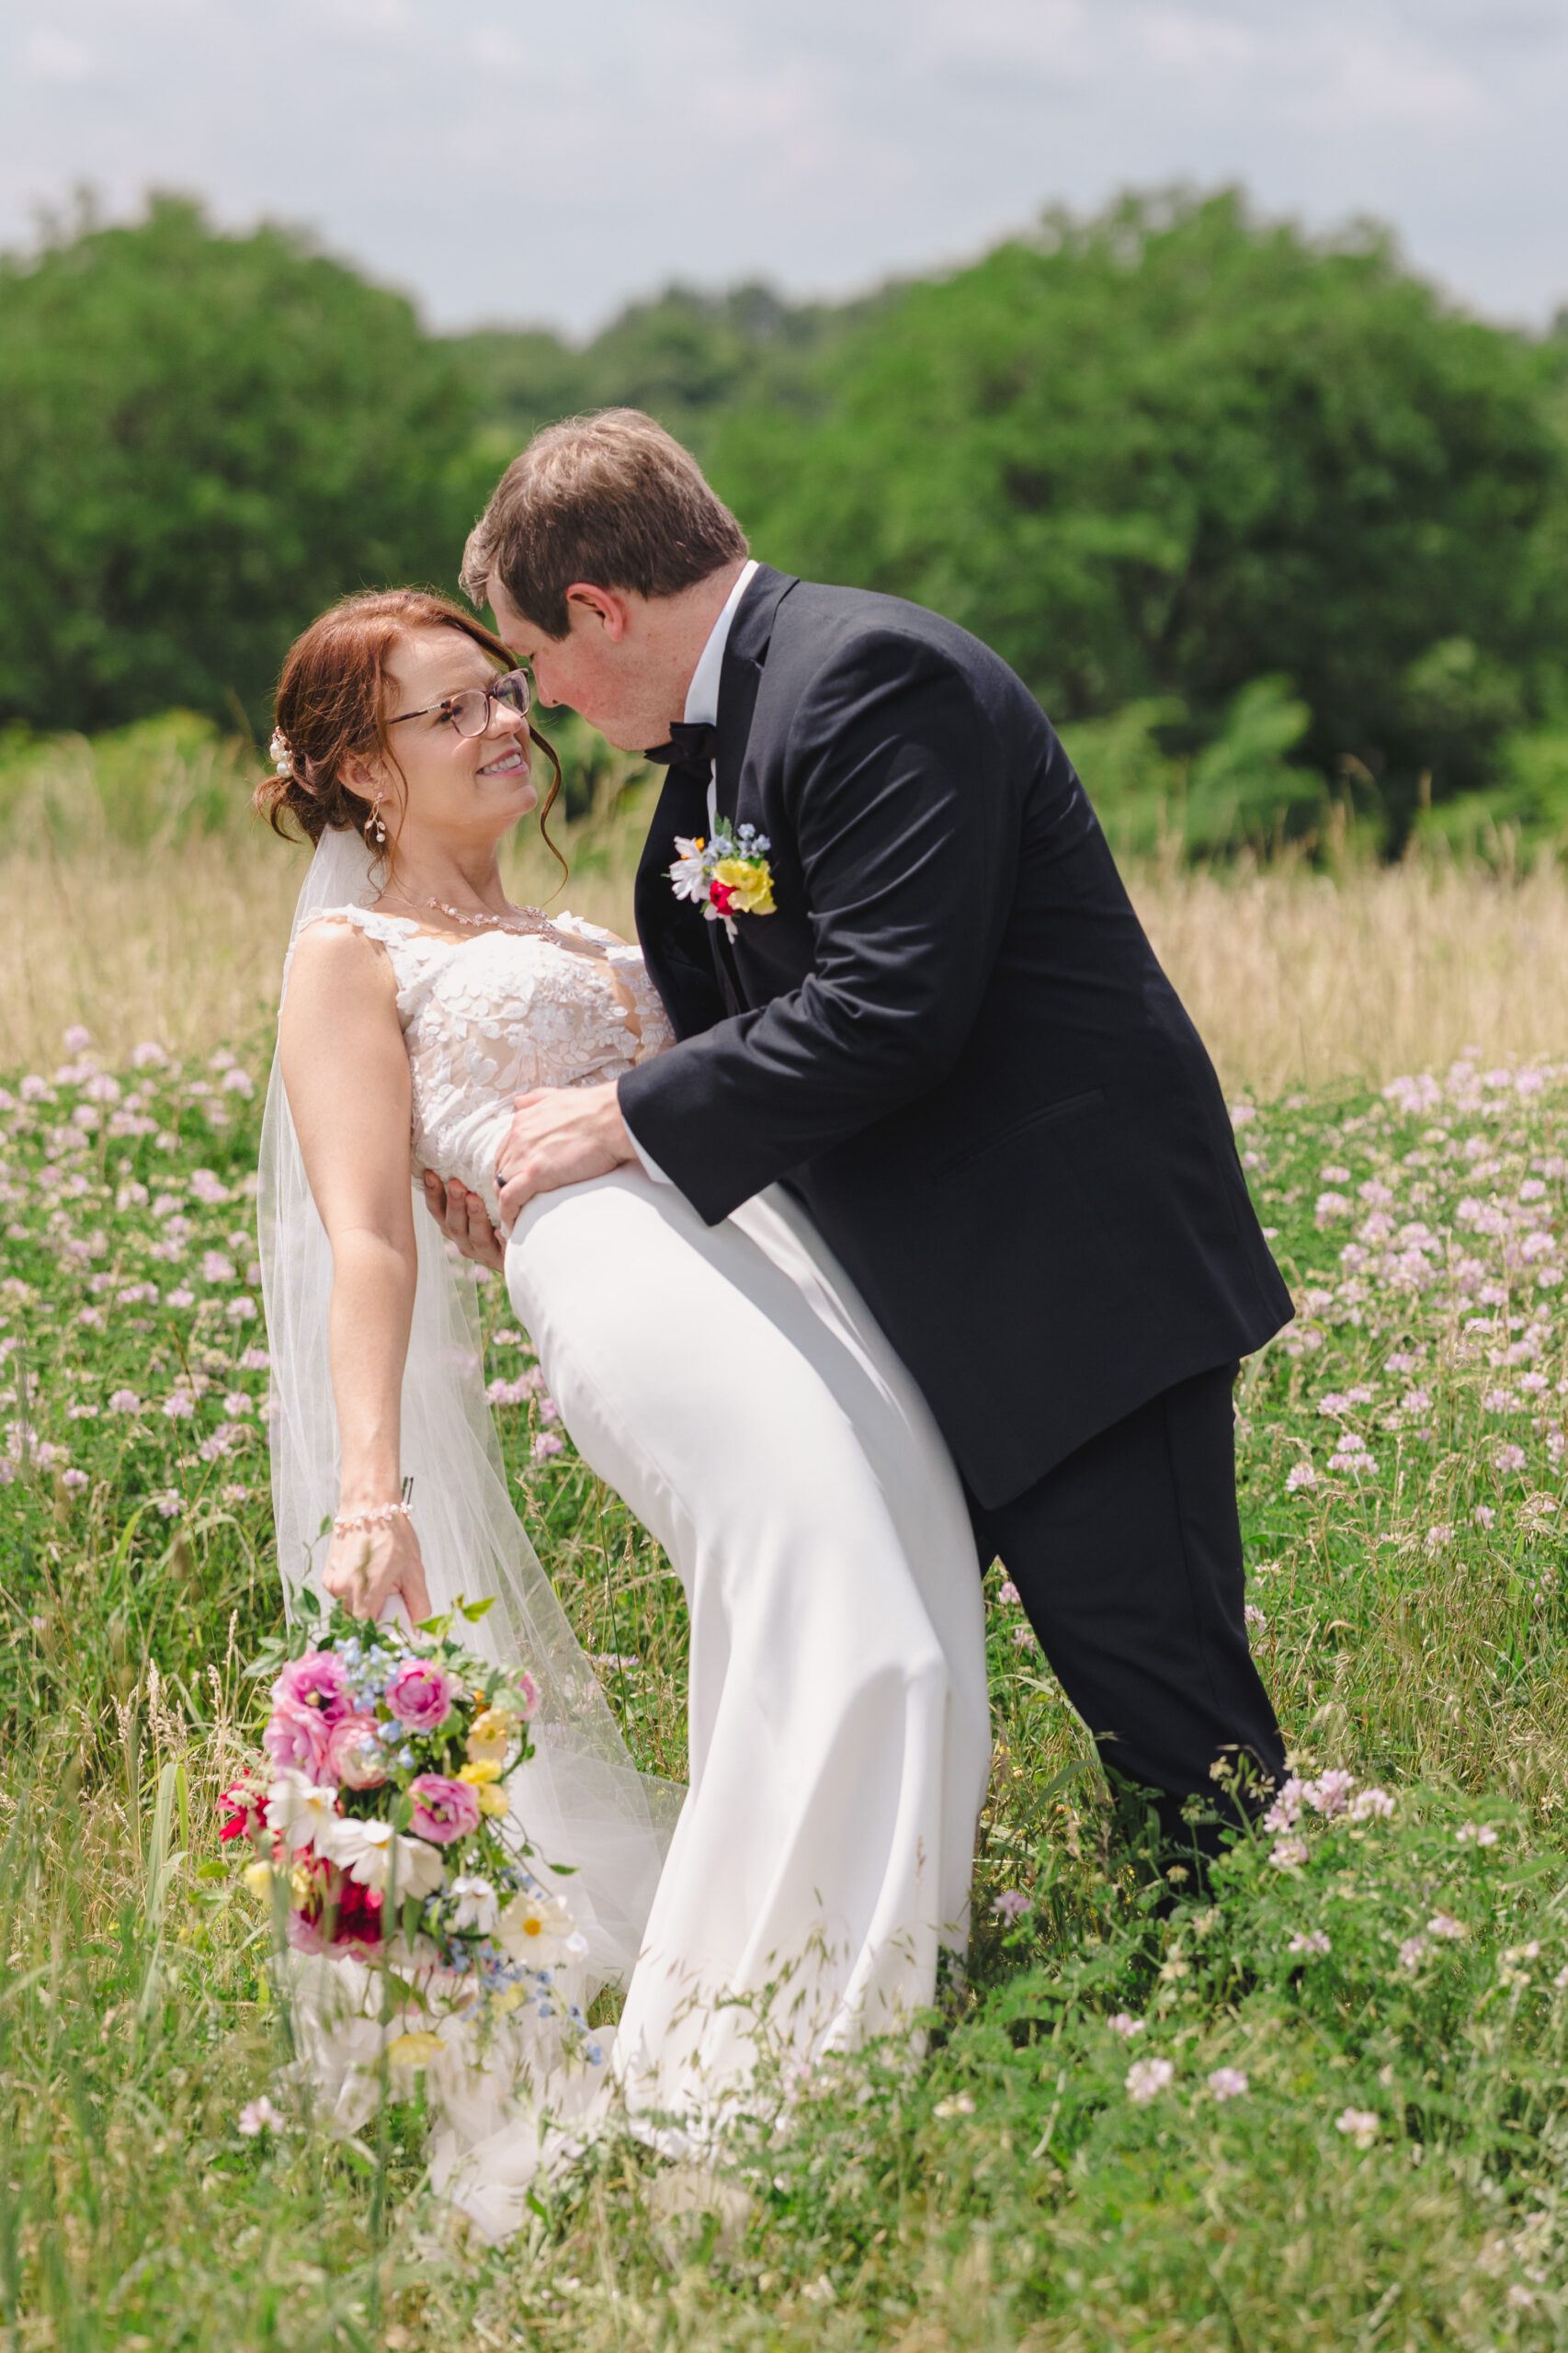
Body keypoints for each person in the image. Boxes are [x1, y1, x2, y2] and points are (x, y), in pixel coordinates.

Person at [431, 408, 1293, 1847]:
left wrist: (624, 1119)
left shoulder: (869, 677)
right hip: (927, 1290)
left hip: (1067, 1281)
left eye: (533, 661)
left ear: (601, 608)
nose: (545, 702)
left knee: (1161, 1698)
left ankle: (1254, 1959)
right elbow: (738, 1001)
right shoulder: (736, 724)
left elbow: (890, 1008)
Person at [258, 586, 990, 2234]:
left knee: (925, 1588)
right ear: (362, 771)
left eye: (503, 689)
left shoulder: (595, 928)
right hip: (611, 1269)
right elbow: (367, 1234)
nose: (504, 721)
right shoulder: (348, 958)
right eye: (449, 709)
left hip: (768, 1249)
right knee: (842, 1603)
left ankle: (878, 1996)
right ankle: (729, 2066)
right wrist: (371, 1488)